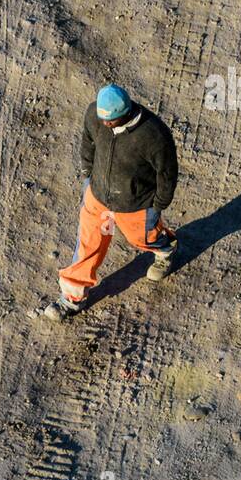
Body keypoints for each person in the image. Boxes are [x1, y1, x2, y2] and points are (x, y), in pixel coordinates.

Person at [48, 84, 179, 320]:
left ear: (126, 113)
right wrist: (88, 173)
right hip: (99, 198)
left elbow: (167, 173)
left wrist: (158, 205)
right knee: (90, 244)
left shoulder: (154, 135)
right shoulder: (95, 114)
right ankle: (72, 297)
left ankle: (165, 248)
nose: (105, 124)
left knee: (143, 238)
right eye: (102, 119)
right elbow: (88, 139)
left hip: (135, 205)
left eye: (111, 121)